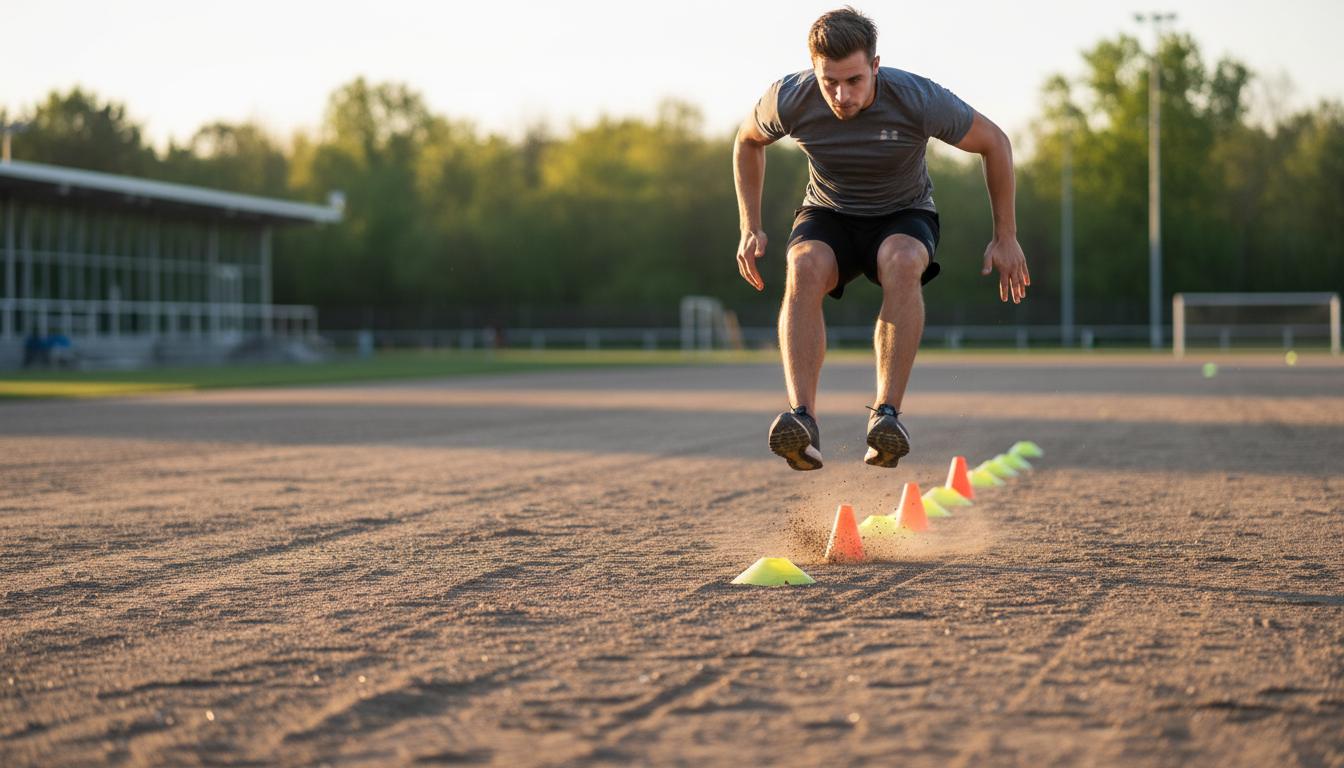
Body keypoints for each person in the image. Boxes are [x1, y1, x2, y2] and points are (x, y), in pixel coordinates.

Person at [733, 6, 1030, 471]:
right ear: (813, 69)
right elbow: (747, 141)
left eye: (853, 80)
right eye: (829, 80)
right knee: (803, 265)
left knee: (901, 259)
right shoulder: (789, 98)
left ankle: (887, 415)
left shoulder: (918, 97)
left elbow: (995, 142)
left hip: (903, 212)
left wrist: (1005, 236)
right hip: (829, 211)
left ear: (875, 65)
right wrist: (749, 225)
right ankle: (802, 418)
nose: (840, 94)